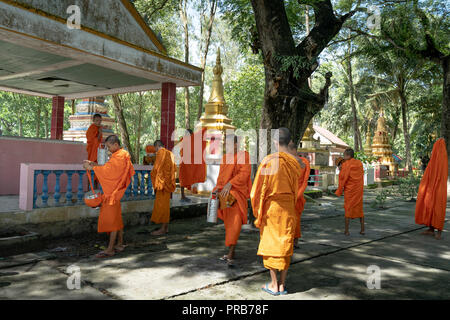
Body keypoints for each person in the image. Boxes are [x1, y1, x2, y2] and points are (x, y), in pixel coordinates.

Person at [251, 127, 301, 296]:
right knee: (285, 243)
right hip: (288, 208)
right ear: (289, 142)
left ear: (274, 142)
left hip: (272, 208)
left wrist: (257, 209)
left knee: (271, 245)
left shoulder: (269, 161)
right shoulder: (295, 163)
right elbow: (296, 188)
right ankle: (282, 285)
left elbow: (257, 189)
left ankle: (273, 284)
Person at [83, 135, 135, 258]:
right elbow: (108, 168)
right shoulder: (120, 155)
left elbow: (110, 173)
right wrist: (94, 164)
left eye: (109, 146)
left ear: (116, 145)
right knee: (117, 218)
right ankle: (120, 244)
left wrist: (92, 167)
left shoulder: (120, 156)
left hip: (112, 193)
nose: (108, 149)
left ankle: (110, 249)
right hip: (114, 193)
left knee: (112, 221)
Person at [212, 134, 252, 266]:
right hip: (225, 195)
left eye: (228, 144)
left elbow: (245, 173)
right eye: (225, 144)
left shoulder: (243, 155)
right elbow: (221, 177)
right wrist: (217, 188)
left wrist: (231, 183)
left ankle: (230, 252)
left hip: (236, 194)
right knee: (229, 224)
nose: (226, 146)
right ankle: (231, 250)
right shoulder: (225, 158)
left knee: (234, 224)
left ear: (235, 145)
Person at [415, 138, 448, 240]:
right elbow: (428, 175)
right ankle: (431, 229)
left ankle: (439, 231)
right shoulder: (432, 161)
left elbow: (441, 175)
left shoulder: (443, 160)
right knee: (429, 206)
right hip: (431, 188)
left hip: (439, 189)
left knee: (438, 208)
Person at [335, 149, 365, 236]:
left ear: (348, 156)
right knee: (360, 209)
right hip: (358, 190)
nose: (344, 157)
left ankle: (347, 231)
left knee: (348, 209)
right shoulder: (359, 163)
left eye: (344, 156)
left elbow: (343, 177)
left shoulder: (346, 165)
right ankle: (362, 229)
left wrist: (339, 190)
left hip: (350, 191)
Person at [150, 140, 176, 236]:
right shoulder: (169, 153)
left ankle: (162, 229)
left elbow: (156, 168)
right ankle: (165, 227)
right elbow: (173, 168)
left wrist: (153, 176)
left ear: (156, 147)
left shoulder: (161, 153)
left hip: (162, 184)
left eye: (155, 149)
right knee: (165, 206)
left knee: (162, 207)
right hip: (167, 183)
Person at [287, 142, 310, 249]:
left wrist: (297, 196)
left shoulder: (304, 162)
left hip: (296, 196)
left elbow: (305, 181)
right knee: (288, 219)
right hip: (287, 194)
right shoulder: (286, 161)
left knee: (296, 219)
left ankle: (295, 240)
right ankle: (289, 240)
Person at [179, 128, 207, 202]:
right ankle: (182, 196)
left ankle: (183, 196)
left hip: (187, 163)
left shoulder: (186, 141)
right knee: (183, 179)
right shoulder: (184, 140)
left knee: (185, 178)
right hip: (185, 163)